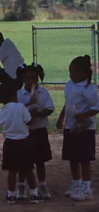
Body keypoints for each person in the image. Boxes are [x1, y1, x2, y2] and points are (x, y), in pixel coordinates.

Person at [0, 82, 44, 205]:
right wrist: (33, 110)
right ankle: (34, 193)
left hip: (9, 143)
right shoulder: (20, 107)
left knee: (12, 171)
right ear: (13, 96)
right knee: (28, 170)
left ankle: (11, 194)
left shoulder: (2, 112)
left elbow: (7, 120)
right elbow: (29, 121)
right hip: (24, 142)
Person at [56, 55, 98, 201]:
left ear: (84, 74)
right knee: (72, 157)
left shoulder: (90, 89)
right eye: (69, 71)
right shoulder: (69, 84)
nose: (70, 75)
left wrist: (84, 115)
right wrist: (61, 117)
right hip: (70, 126)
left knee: (84, 158)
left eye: (73, 72)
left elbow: (96, 106)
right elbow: (68, 103)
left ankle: (86, 187)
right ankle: (76, 182)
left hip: (84, 128)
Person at [16, 63, 54, 200]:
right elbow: (17, 111)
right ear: (23, 80)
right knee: (23, 162)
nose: (31, 81)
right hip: (25, 133)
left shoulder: (43, 92)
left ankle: (42, 185)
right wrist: (29, 107)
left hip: (39, 131)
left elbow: (50, 108)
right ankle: (21, 186)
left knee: (40, 160)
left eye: (33, 78)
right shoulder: (19, 94)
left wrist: (38, 113)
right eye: (27, 79)